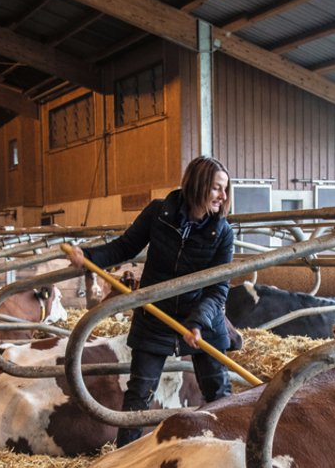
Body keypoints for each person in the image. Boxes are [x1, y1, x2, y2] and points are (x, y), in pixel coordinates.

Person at [66, 155, 235, 447]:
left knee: (219, 394)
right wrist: (88, 256)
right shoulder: (160, 213)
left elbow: (218, 288)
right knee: (138, 395)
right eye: (217, 188)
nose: (223, 196)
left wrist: (197, 323)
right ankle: (124, 458)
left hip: (203, 317)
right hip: (155, 313)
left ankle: (231, 451)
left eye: (225, 190)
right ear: (198, 185)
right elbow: (126, 246)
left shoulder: (222, 232)